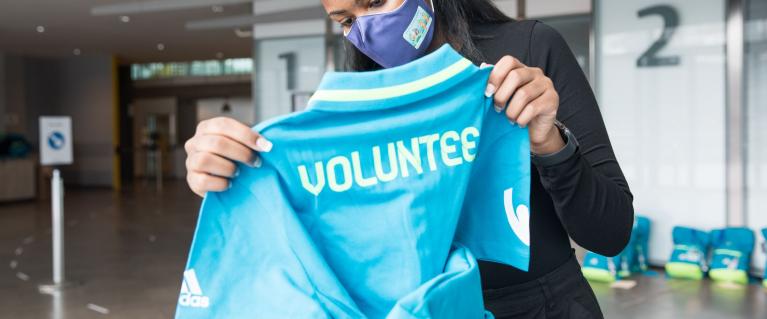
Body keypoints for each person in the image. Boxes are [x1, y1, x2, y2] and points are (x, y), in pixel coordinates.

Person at [183, 0, 634, 318]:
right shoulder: (360, 104)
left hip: (546, 307)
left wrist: (549, 143)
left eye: (375, 1)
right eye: (344, 20)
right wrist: (235, 171)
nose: (364, 31)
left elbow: (611, 233)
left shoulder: (527, 55)